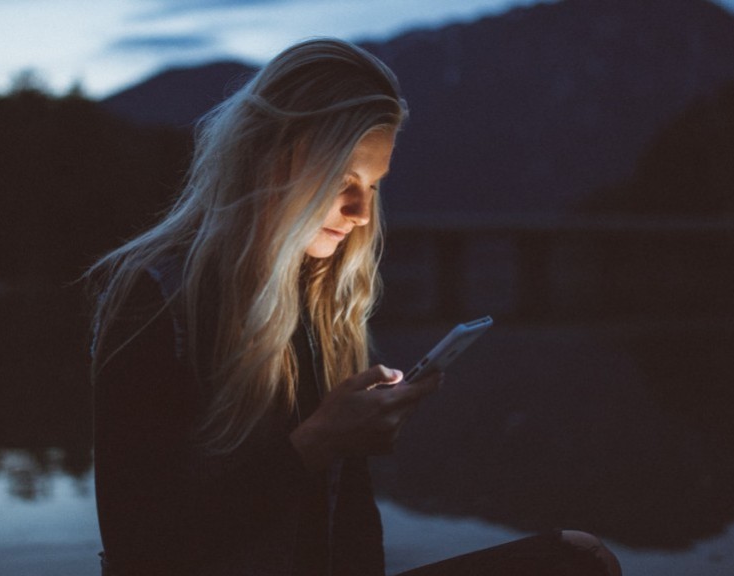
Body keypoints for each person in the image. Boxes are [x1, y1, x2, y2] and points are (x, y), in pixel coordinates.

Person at [86, 38, 621, 576]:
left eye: (372, 184)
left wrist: (344, 441)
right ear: (272, 156)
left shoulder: (319, 299)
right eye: (343, 181)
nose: (362, 212)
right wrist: (315, 445)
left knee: (580, 559)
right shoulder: (156, 298)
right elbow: (141, 548)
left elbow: (353, 525)